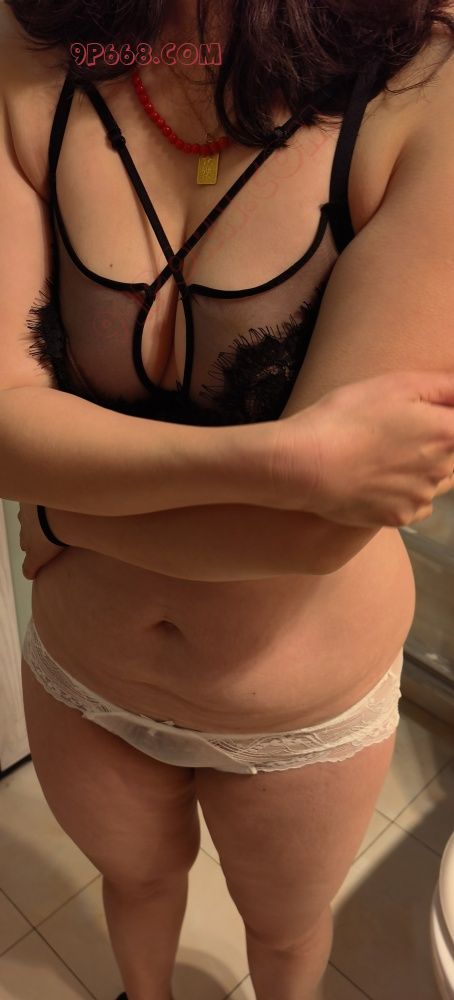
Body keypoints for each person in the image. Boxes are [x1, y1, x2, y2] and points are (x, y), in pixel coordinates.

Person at [2, 1, 454, 998]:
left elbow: (309, 536)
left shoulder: (425, 88)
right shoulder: (40, 46)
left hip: (299, 708)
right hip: (86, 674)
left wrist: (60, 508)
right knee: (134, 883)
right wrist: (284, 460)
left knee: (285, 938)